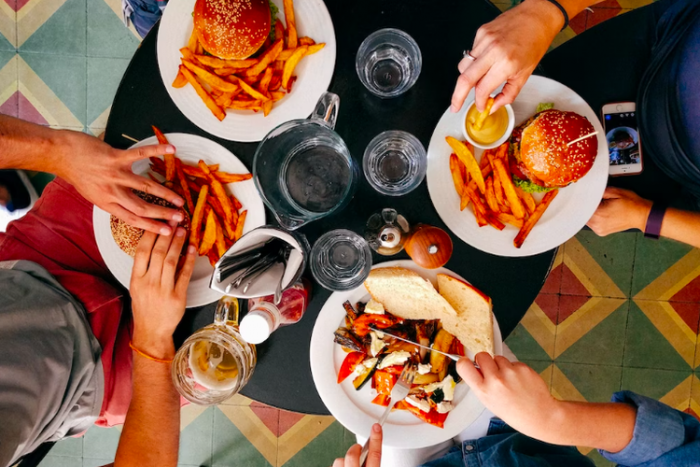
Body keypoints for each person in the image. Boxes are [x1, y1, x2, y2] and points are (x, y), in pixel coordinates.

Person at [0, 115, 192, 466]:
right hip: (97, 383)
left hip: (30, 264)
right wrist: (152, 341)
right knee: (259, 322)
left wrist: (56, 151)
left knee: (156, 130)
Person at [450, 0, 700, 249]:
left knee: (583, 212)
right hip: (662, 39)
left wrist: (646, 218)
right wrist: (544, 13)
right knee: (541, 74)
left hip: (672, 174)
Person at [333, 353, 700, 467]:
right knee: (472, 348)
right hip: (525, 440)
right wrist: (554, 419)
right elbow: (677, 447)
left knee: (369, 402)